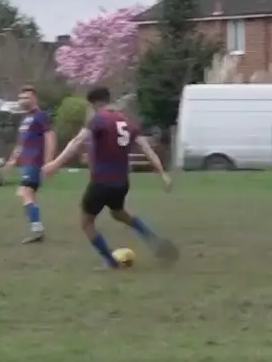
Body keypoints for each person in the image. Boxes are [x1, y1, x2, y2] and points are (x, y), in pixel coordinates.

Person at [42, 86, 178, 270]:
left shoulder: (98, 120)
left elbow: (77, 141)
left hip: (101, 181)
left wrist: (55, 164)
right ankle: (154, 240)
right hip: (121, 183)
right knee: (119, 213)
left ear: (94, 104)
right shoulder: (127, 122)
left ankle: (110, 261)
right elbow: (147, 149)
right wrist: (162, 173)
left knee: (87, 223)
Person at [1, 86, 56, 244]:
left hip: (35, 161)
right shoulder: (25, 119)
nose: (22, 100)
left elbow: (50, 137)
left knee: (25, 192)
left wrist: (49, 161)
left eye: (26, 98)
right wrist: (12, 160)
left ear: (34, 99)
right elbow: (21, 143)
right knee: (29, 194)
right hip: (27, 161)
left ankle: (37, 229)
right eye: (20, 98)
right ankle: (36, 228)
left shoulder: (41, 116)